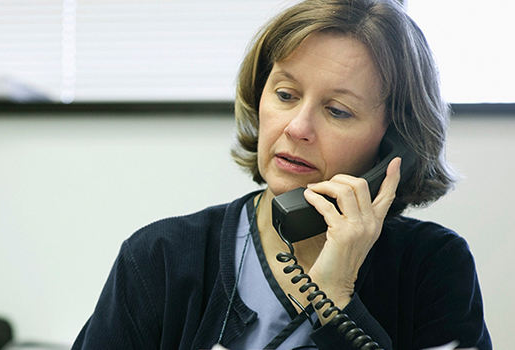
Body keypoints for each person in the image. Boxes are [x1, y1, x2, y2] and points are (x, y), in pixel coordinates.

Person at [71, 0, 492, 349]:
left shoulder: (433, 266)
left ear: (393, 142)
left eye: (337, 110)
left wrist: (336, 297)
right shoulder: (159, 257)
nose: (297, 127)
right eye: (286, 95)